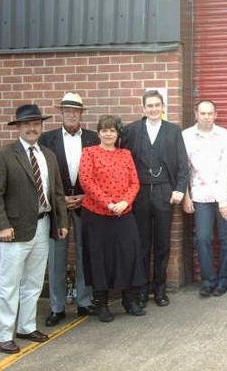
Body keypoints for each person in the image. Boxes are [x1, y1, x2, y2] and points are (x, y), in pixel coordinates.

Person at [0, 104, 68, 354]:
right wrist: (2, 226)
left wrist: (62, 222)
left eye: (36, 124)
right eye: (27, 124)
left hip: (43, 224)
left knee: (33, 282)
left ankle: (26, 326)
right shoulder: (4, 155)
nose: (32, 128)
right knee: (8, 285)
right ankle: (2, 334)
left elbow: (57, 192)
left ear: (41, 127)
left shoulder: (48, 155)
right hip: (13, 230)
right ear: (18, 127)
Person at [122, 90, 189, 307]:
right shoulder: (132, 130)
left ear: (163, 107)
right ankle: (142, 289)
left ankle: (160, 289)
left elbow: (183, 163)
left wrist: (179, 189)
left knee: (162, 243)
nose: (153, 109)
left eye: (157, 105)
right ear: (143, 108)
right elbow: (122, 162)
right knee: (141, 244)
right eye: (149, 105)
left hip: (164, 192)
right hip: (139, 192)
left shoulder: (173, 130)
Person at [39, 93, 100, 327]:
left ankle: (84, 301)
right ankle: (57, 307)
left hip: (87, 202)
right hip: (58, 204)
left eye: (76, 111)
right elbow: (42, 174)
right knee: (57, 255)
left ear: (81, 113)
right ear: (61, 113)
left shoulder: (93, 138)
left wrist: (87, 195)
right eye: (67, 110)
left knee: (86, 252)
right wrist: (59, 198)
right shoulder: (47, 139)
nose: (72, 114)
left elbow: (99, 172)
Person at [79, 115, 147, 323]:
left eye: (112, 130)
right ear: (98, 132)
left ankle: (130, 299)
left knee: (129, 255)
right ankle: (101, 303)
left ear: (118, 134)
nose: (108, 134)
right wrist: (108, 203)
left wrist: (125, 202)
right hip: (97, 215)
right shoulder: (89, 153)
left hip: (123, 214)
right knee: (99, 258)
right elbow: (86, 181)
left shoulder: (125, 154)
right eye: (104, 130)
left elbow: (135, 182)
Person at [182, 100, 227, 297]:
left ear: (215, 115)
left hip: (223, 195)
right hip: (200, 197)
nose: (206, 117)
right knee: (203, 238)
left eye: (209, 113)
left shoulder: (225, 135)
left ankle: (223, 280)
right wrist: (186, 196)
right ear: (196, 114)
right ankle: (208, 280)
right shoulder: (186, 136)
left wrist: (225, 199)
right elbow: (183, 169)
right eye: (202, 113)